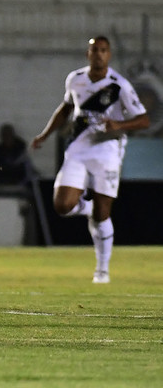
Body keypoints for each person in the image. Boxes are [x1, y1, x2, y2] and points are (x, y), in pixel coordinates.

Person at [31, 36, 149, 283]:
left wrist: (119, 124)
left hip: (107, 149)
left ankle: (102, 270)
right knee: (62, 205)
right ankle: (86, 207)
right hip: (78, 146)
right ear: (88, 54)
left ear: (109, 55)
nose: (99, 54)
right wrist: (44, 134)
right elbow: (65, 109)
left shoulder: (119, 85)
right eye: (95, 50)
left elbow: (144, 119)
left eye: (103, 50)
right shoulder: (75, 79)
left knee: (103, 212)